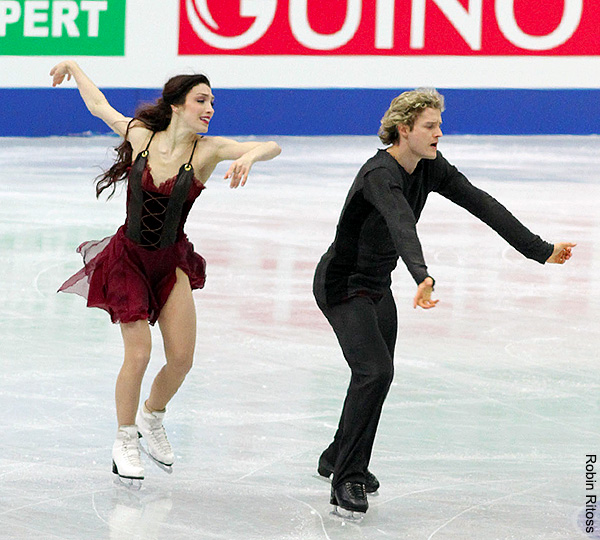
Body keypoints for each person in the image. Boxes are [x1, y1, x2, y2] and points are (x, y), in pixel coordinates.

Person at [312, 88, 575, 519]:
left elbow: (482, 204)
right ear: (404, 130)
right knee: (375, 371)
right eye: (430, 126)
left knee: (374, 375)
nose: (439, 133)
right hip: (342, 285)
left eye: (439, 124)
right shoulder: (380, 173)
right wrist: (421, 274)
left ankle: (336, 455)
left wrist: (538, 249)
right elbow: (400, 222)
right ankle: (347, 478)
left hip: (376, 285)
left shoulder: (431, 167)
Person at [50, 60, 281, 486]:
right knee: (138, 354)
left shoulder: (207, 151)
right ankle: (124, 439)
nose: (209, 108)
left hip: (170, 262)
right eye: (201, 100)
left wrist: (249, 155)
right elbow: (100, 106)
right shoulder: (141, 135)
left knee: (181, 359)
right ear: (176, 105)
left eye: (212, 102)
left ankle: (152, 416)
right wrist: (75, 68)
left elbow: (272, 145)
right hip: (128, 259)